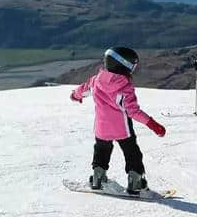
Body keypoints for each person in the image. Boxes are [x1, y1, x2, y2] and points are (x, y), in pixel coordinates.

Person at [70, 47, 166, 194]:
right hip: (122, 128)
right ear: (122, 66)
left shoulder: (95, 81)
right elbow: (133, 111)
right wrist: (153, 125)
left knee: (101, 150)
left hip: (101, 128)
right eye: (132, 66)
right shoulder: (125, 87)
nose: (133, 70)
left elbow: (82, 90)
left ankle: (98, 178)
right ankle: (136, 181)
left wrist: (75, 96)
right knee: (132, 152)